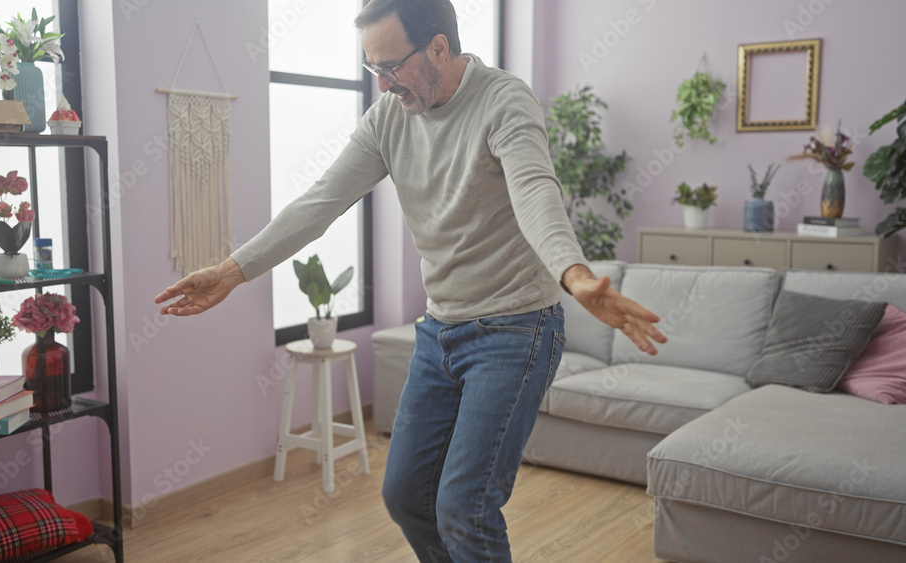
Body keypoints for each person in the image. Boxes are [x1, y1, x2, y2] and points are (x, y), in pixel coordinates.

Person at [154, 0, 667, 560]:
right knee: (406, 496)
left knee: (465, 508)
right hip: (440, 331)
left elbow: (534, 192)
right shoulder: (388, 120)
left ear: (439, 48)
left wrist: (574, 274)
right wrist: (232, 272)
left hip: (516, 330)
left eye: (391, 67)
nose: (382, 84)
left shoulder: (503, 100)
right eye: (372, 68)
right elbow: (319, 203)